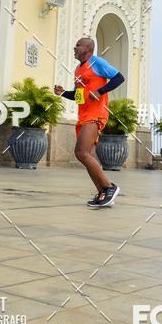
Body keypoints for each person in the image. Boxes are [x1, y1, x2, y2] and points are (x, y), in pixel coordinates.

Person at [54, 37, 124, 208]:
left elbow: (119, 78)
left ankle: (109, 187)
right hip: (83, 115)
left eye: (78, 45)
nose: (75, 47)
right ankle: (102, 192)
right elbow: (80, 96)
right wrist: (63, 93)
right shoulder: (78, 69)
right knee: (88, 156)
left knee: (81, 152)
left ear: (88, 48)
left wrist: (100, 92)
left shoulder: (97, 62)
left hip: (97, 114)